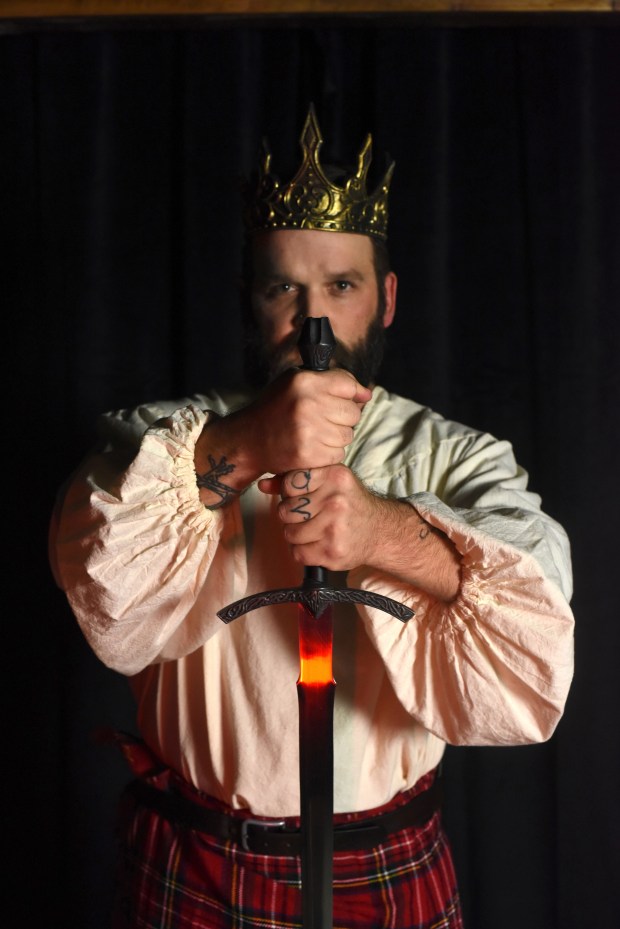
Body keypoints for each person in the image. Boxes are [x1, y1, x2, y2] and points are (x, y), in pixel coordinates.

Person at [51, 106, 574, 929]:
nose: (313, 320)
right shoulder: (156, 441)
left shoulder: (458, 458)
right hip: (199, 861)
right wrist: (251, 440)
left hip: (388, 861)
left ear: (387, 297)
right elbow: (103, 576)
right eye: (282, 288)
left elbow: (535, 632)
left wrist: (380, 533)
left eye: (341, 285)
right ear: (248, 300)